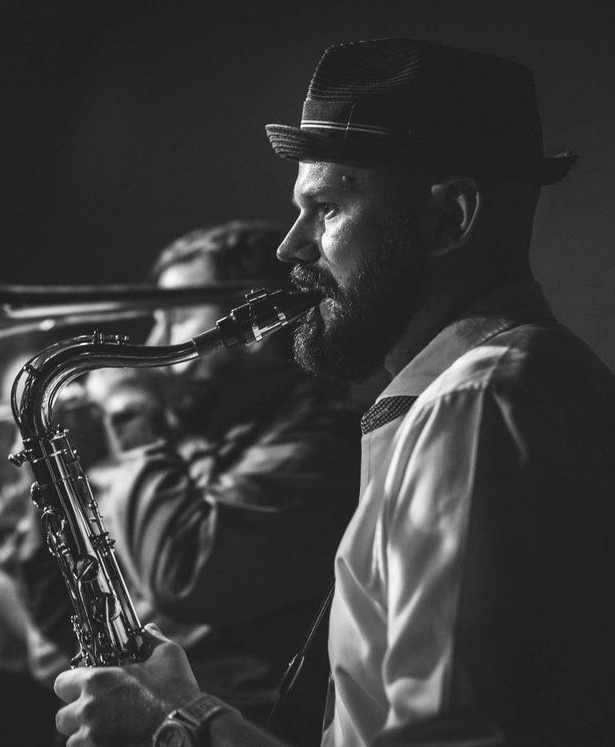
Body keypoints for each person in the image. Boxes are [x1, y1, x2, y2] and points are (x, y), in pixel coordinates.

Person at [51, 38, 615, 747]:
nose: (290, 249)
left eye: (325, 210)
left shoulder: (479, 405)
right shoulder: (479, 397)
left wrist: (176, 723)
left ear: (450, 218)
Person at [13, 220, 363, 744]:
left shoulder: (322, 442)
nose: (155, 340)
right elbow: (67, 614)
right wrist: (49, 469)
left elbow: (187, 574)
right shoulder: (189, 444)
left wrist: (132, 415)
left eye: (176, 315)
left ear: (252, 321)